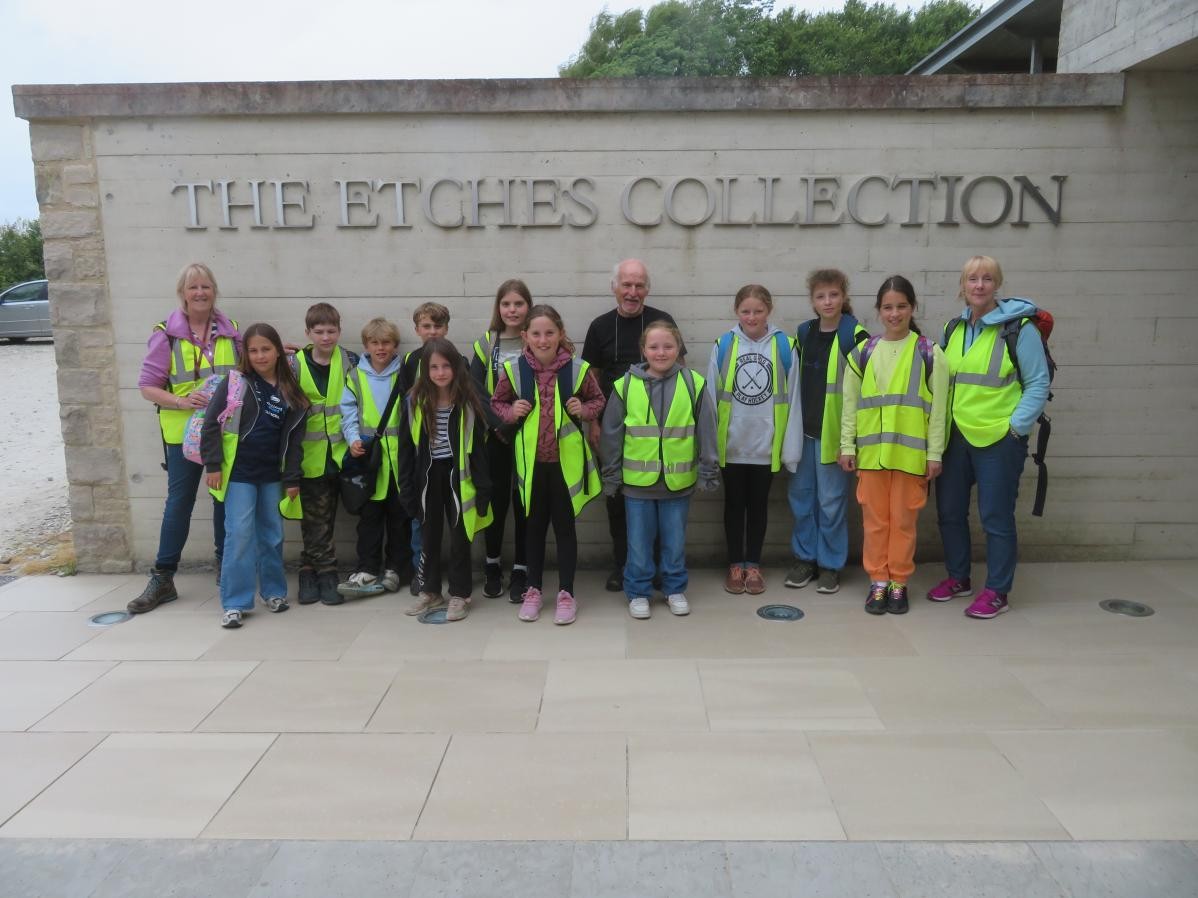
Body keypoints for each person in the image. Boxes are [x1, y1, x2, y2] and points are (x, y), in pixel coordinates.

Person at [931, 256, 1050, 619]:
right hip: (956, 437)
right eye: (972, 279)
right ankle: (959, 578)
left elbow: (1037, 383)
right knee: (949, 513)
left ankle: (998, 590)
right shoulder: (953, 329)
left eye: (986, 279)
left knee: (996, 517)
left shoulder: (1018, 329)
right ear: (962, 286)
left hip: (999, 439)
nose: (979, 285)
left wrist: (1015, 429)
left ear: (997, 284)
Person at [128, 262, 241, 614]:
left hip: (222, 433)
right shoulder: (166, 334)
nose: (200, 293)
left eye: (206, 286)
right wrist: (180, 400)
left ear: (214, 291)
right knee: (180, 503)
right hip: (182, 437)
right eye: (193, 288)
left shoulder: (231, 330)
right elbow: (147, 387)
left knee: (224, 500)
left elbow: (246, 367)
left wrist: (279, 350)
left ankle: (225, 568)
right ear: (182, 294)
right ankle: (163, 578)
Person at [839, 276, 948, 615]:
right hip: (872, 457)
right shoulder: (862, 353)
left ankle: (899, 582)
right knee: (875, 523)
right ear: (878, 311)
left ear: (912, 308)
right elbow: (849, 405)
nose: (895, 313)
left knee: (903, 522)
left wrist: (934, 454)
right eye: (888, 307)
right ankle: (878, 582)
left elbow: (939, 411)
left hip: (910, 456)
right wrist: (847, 446)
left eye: (901, 306)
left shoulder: (930, 353)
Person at [491, 304, 605, 625]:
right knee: (533, 529)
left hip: (565, 468)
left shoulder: (578, 369)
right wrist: (511, 413)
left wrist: (584, 409)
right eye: (536, 334)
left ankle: (566, 593)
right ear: (525, 336)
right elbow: (497, 402)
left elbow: (599, 400)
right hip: (531, 468)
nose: (543, 340)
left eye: (550, 333)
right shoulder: (514, 370)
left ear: (561, 334)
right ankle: (533, 590)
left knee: (566, 530)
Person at [600, 320, 719, 619]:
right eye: (654, 346)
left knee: (674, 541)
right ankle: (638, 591)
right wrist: (611, 476)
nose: (661, 352)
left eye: (668, 346)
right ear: (643, 350)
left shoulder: (693, 383)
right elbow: (611, 434)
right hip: (637, 485)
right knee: (638, 543)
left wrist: (708, 469)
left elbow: (707, 430)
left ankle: (674, 588)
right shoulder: (625, 386)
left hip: (678, 484)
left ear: (679, 349)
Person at [200, 323, 310, 629]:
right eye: (253, 350)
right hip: (238, 475)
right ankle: (235, 602)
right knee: (239, 535)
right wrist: (213, 465)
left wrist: (292, 478)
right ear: (245, 354)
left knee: (272, 534)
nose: (260, 356)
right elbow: (211, 424)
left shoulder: (291, 389)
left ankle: (274, 592)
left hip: (272, 475)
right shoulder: (235, 382)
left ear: (278, 350)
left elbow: (295, 442)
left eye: (266, 349)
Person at [581, 259, 679, 591]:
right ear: (615, 287)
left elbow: (678, 375)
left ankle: (655, 568)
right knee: (617, 500)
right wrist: (592, 422)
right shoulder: (599, 327)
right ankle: (623, 565)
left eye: (638, 285)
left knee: (657, 501)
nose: (632, 292)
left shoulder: (661, 324)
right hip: (612, 430)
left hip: (656, 433)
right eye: (626, 285)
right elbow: (590, 379)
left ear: (647, 289)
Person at [707, 284, 801, 596]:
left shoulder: (786, 346)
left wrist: (790, 448)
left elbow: (794, 398)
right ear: (737, 312)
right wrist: (707, 448)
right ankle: (735, 564)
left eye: (758, 311)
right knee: (734, 506)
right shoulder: (723, 345)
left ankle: (753, 564)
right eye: (746, 311)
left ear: (768, 311)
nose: (752, 317)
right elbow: (710, 397)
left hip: (766, 445)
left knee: (758, 507)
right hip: (731, 445)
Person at [785, 269, 868, 596]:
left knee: (832, 502)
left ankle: (831, 564)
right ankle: (805, 558)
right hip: (803, 433)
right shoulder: (804, 333)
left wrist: (851, 440)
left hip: (835, 436)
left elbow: (862, 391)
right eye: (821, 296)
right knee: (801, 499)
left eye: (833, 295)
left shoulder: (855, 335)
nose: (828, 301)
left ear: (844, 297)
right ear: (812, 301)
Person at [399, 339, 493, 621]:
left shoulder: (467, 402)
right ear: (425, 370)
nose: (440, 372)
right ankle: (430, 591)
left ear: (456, 367)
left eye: (446, 366)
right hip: (427, 478)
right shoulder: (414, 401)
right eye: (433, 367)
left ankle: (460, 594)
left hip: (459, 478)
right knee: (428, 536)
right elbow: (405, 447)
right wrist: (406, 488)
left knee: (460, 537)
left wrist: (484, 488)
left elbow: (478, 449)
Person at [336, 317, 413, 599]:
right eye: (375, 343)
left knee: (399, 516)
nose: (381, 348)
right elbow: (348, 412)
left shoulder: (404, 373)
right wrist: (353, 439)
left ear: (395, 346)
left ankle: (396, 568)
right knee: (369, 518)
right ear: (366, 345)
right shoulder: (356, 375)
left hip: (400, 460)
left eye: (387, 343)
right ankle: (367, 567)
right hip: (370, 460)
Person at [470, 279, 532, 602]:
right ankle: (492, 563)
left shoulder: (536, 340)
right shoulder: (485, 344)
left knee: (524, 502)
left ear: (528, 307)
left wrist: (516, 422)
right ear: (498, 308)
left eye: (518, 304)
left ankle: (522, 568)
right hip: (494, 435)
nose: (512, 310)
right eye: (506, 304)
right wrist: (500, 424)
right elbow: (476, 391)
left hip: (531, 434)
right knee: (495, 501)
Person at [292, 302, 358, 606]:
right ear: (308, 333)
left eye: (332, 331)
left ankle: (308, 569)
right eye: (319, 331)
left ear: (339, 331)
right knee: (315, 517)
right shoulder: (294, 364)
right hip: (308, 455)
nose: (326, 337)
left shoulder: (351, 361)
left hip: (344, 453)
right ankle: (327, 574)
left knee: (324, 517)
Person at [401, 301, 451, 595]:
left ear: (446, 328)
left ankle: (456, 571)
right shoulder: (410, 361)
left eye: (438, 326)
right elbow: (404, 408)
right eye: (426, 326)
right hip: (422, 454)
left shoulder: (456, 359)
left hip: (450, 455)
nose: (432, 332)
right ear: (417, 329)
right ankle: (422, 571)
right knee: (421, 520)